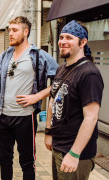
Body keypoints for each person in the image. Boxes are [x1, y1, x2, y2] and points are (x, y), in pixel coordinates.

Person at [0, 16, 58, 180]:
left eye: (14, 30)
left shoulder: (39, 56)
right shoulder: (5, 56)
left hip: (25, 118)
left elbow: (61, 80)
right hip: (2, 116)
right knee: (4, 160)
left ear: (26, 32)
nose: (10, 33)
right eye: (10, 30)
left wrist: (38, 96)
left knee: (27, 162)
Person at [44, 20, 104, 180]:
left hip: (76, 153)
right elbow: (52, 100)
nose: (63, 41)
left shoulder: (89, 74)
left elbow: (91, 118)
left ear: (83, 42)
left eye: (69, 38)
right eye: (61, 37)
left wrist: (74, 153)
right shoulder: (61, 68)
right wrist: (48, 132)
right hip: (59, 147)